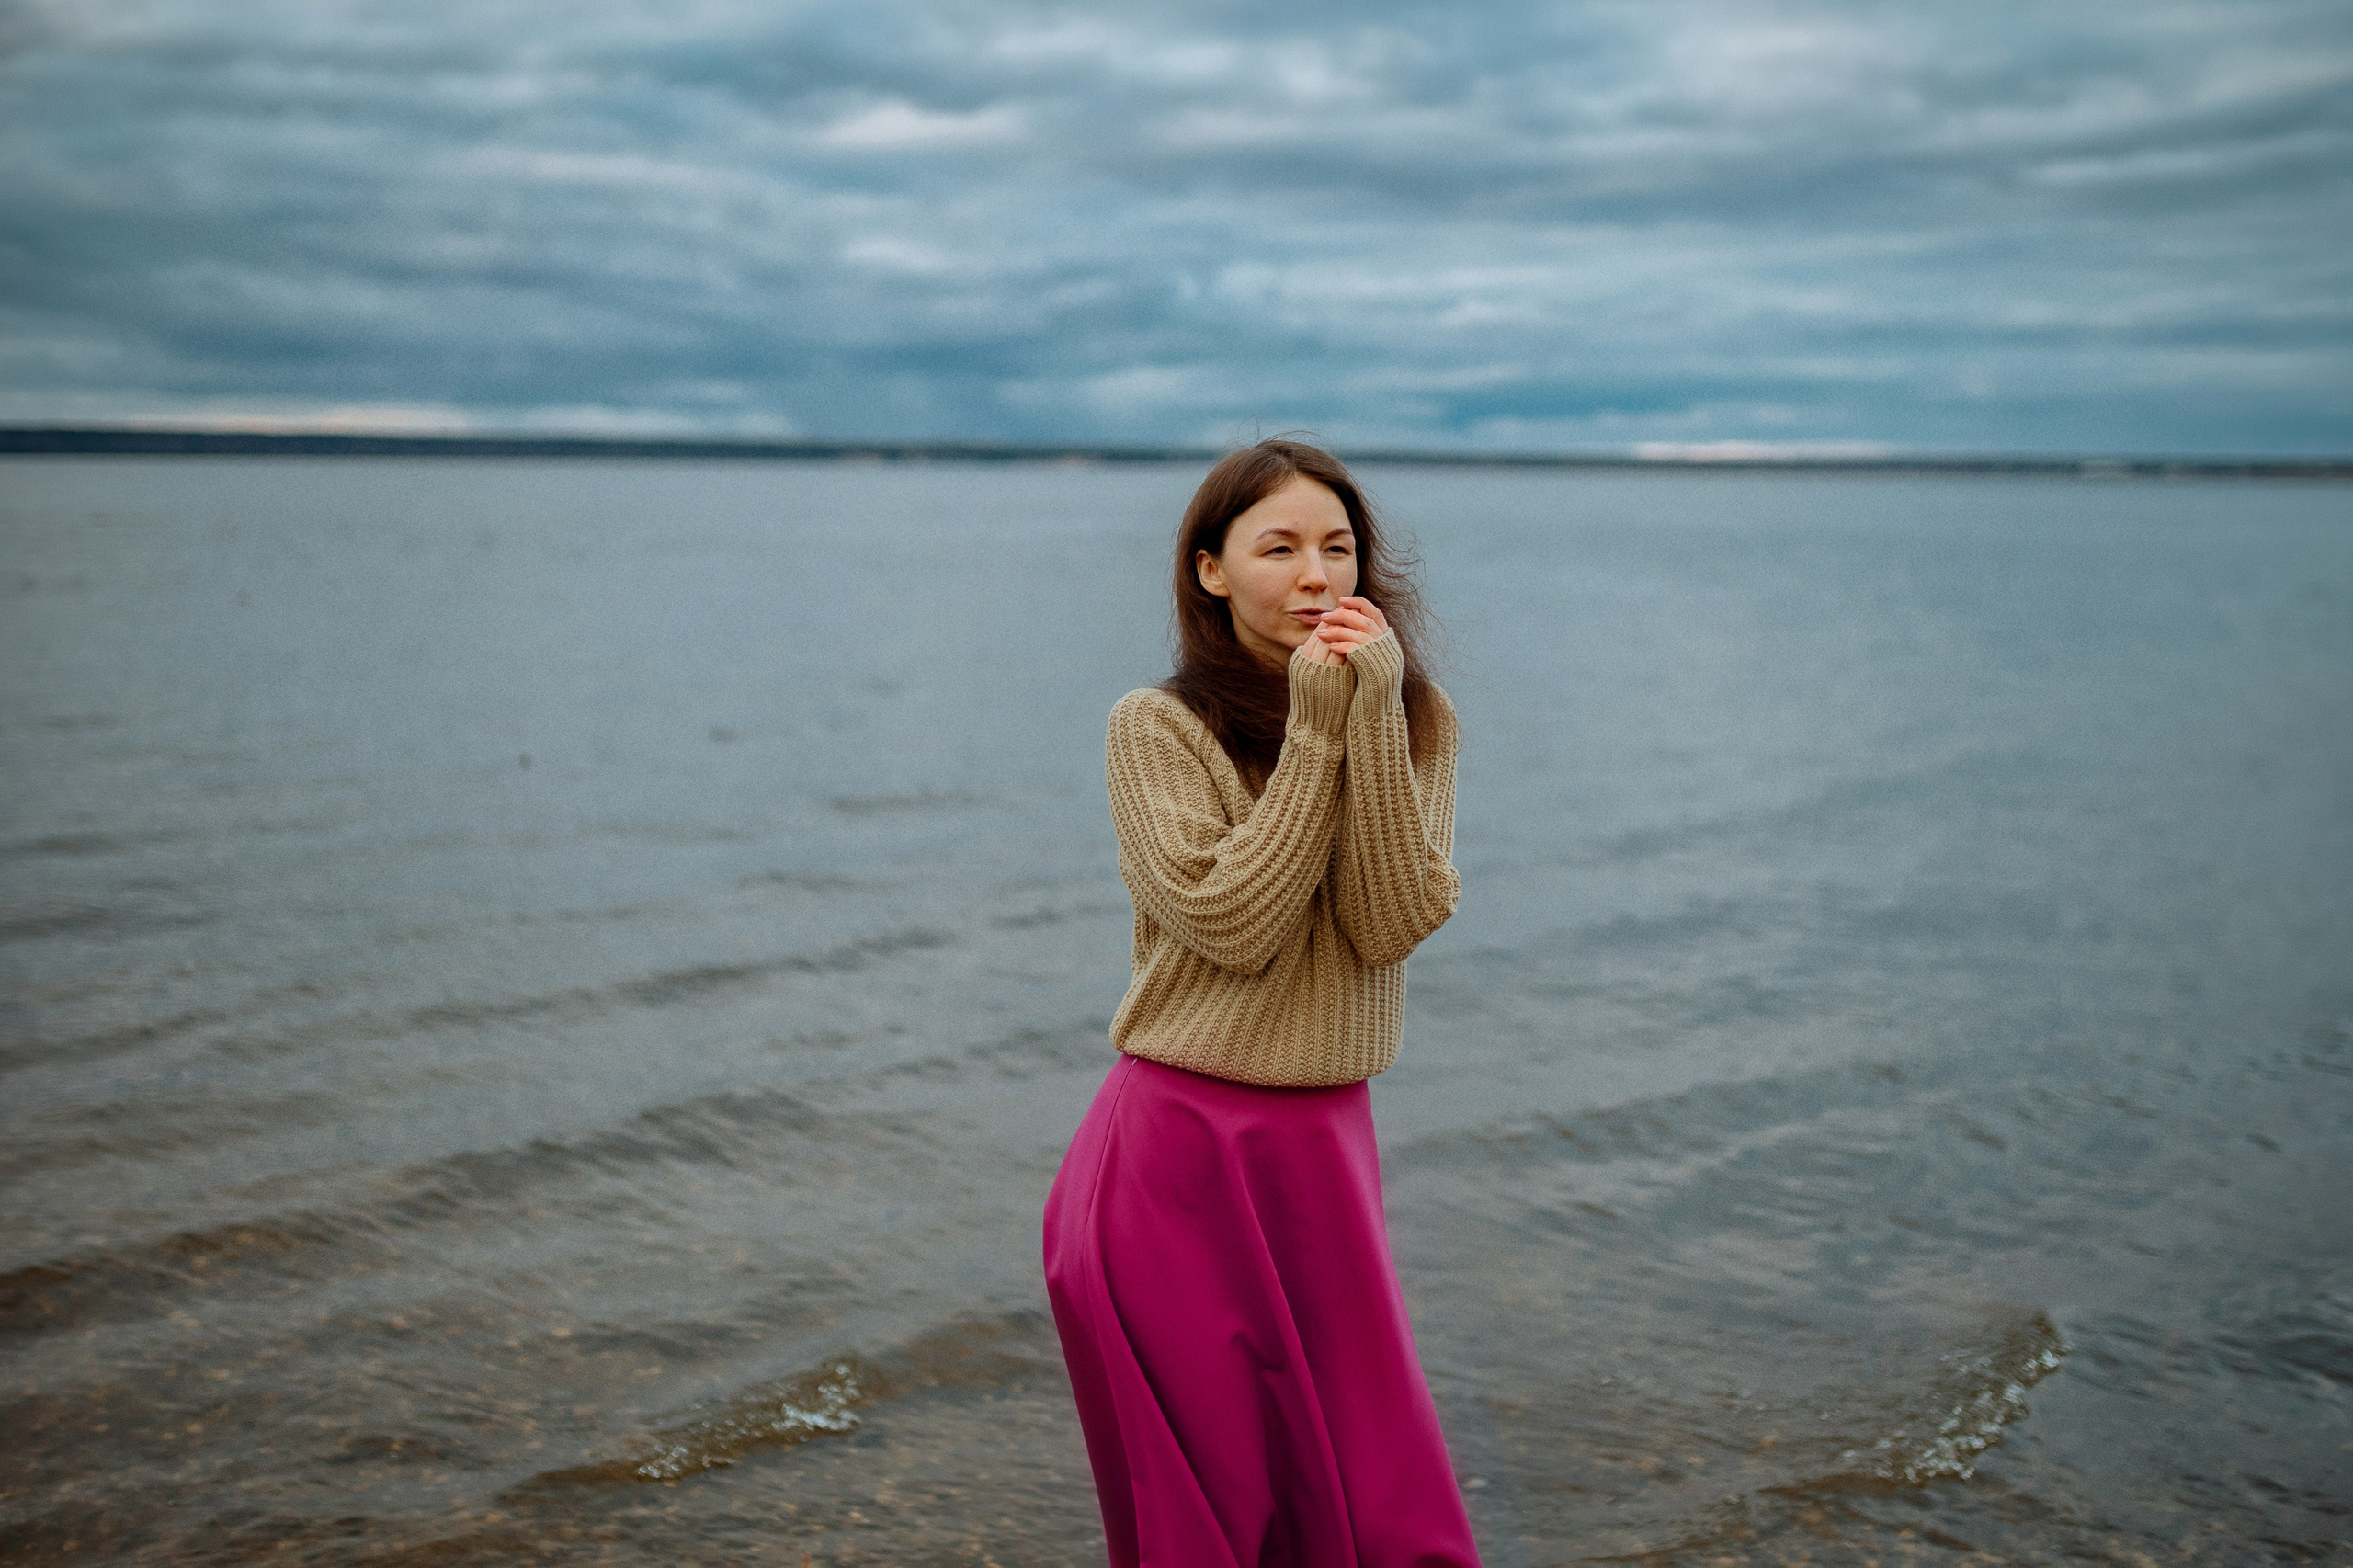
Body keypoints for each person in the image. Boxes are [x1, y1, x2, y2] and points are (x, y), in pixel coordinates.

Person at [1042, 438, 1481, 1566]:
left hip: (1321, 1145)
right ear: (1211, 571)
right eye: (1277, 547)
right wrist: (1319, 732)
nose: (1315, 576)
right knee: (1215, 1506)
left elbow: (1389, 919)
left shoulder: (1413, 716)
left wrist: (1371, 719)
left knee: (1377, 1489)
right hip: (1176, 1153)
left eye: (1337, 548)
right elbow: (1233, 925)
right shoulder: (1157, 726)